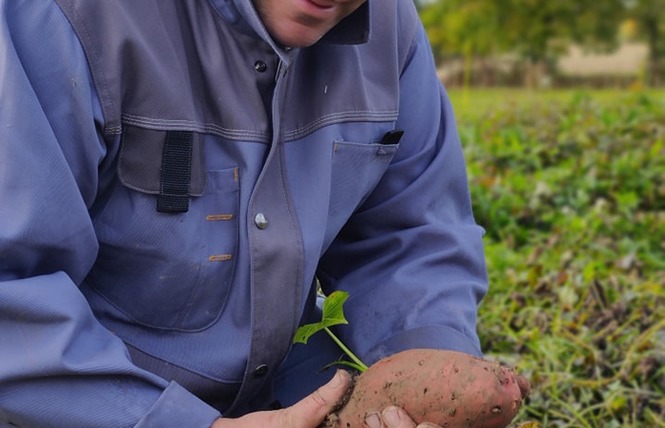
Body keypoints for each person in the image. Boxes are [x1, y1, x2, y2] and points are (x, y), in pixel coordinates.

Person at [0, 0, 489, 426]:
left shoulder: (391, 30)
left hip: (281, 384)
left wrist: (426, 368)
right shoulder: (62, 17)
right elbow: (10, 293)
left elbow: (413, 231)